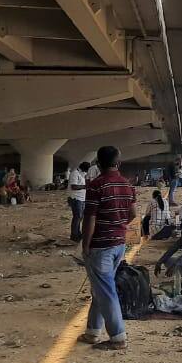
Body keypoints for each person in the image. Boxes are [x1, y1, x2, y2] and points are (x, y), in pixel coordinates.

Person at [79, 146, 136, 350]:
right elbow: (132, 214)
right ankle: (93, 331)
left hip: (100, 246)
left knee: (106, 291)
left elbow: (90, 218)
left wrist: (85, 244)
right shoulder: (128, 185)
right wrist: (118, 224)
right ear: (118, 163)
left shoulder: (96, 185)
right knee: (100, 289)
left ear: (98, 163)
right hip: (119, 244)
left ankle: (118, 337)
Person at [67, 162, 88, 241]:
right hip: (75, 198)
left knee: (80, 217)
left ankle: (78, 234)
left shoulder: (81, 174)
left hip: (81, 198)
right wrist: (86, 186)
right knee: (77, 217)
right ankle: (74, 235)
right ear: (83, 169)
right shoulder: (74, 174)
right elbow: (74, 186)